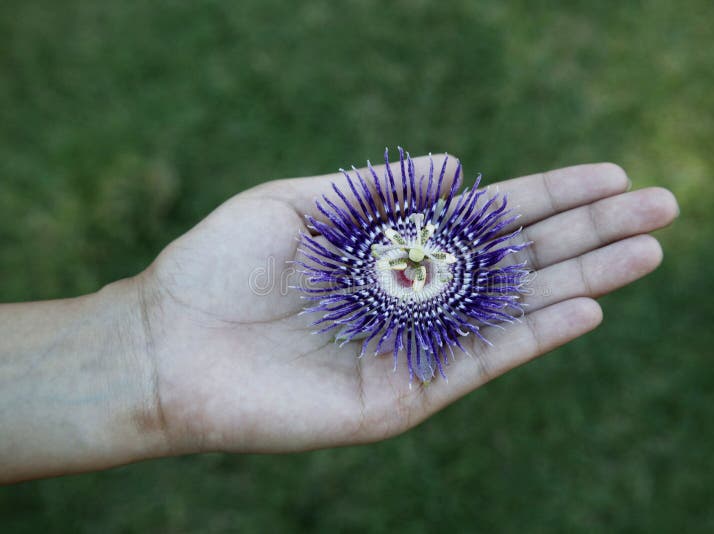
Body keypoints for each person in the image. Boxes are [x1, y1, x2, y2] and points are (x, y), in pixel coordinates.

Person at [0, 156, 679, 484]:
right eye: (410, 264)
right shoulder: (368, 272)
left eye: (413, 266)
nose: (411, 260)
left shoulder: (411, 275)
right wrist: (143, 347)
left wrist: (138, 352)